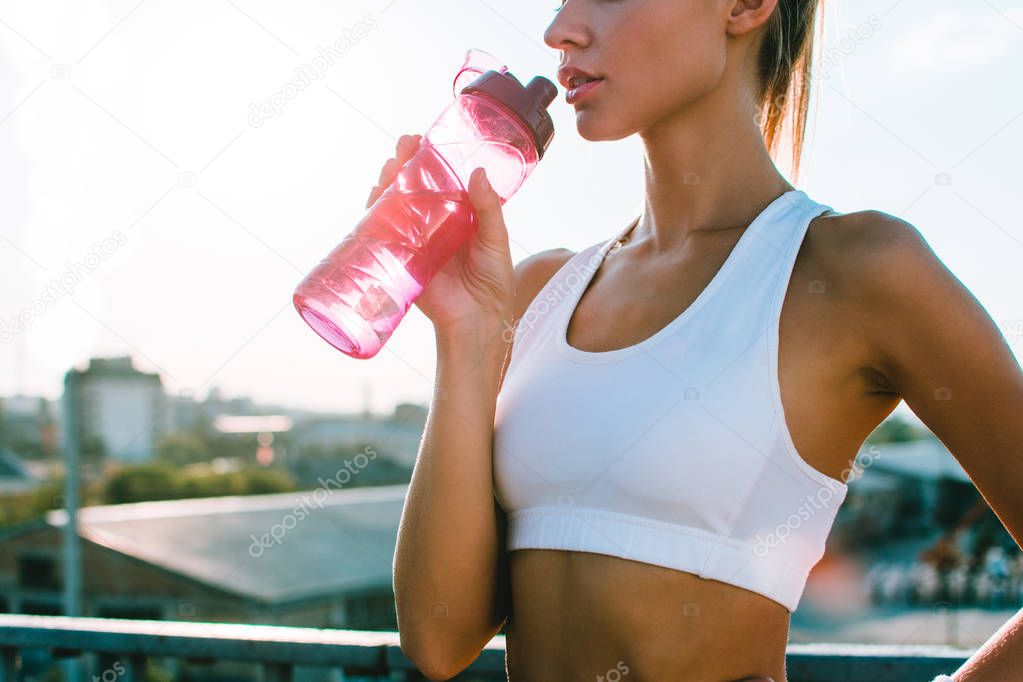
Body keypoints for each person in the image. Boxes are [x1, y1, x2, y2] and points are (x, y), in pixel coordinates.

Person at [389, 2, 1023, 680]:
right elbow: (438, 639)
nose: (559, 30)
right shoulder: (534, 288)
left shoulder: (854, 269)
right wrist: (463, 334)